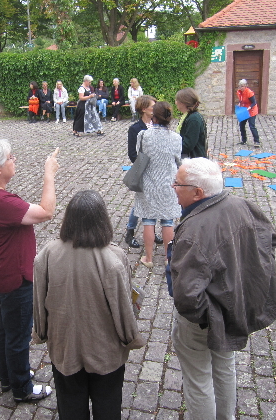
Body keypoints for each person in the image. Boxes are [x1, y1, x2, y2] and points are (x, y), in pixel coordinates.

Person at [170, 157, 276, 420]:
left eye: (177, 184)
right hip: (232, 310)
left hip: (204, 320)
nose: (173, 187)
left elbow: (187, 298)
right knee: (224, 366)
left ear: (198, 193)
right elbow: (271, 240)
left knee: (199, 378)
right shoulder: (244, 205)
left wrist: (208, 315)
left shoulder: (193, 231)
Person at [33, 190, 145, 419]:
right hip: (106, 352)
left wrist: (42, 333)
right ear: (103, 220)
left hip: (64, 348)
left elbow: (38, 300)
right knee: (108, 406)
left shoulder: (47, 254)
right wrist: (130, 338)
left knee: (70, 406)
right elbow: (124, 309)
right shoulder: (113, 258)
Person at [0, 139, 59, 403]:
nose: (14, 160)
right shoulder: (0, 202)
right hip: (13, 278)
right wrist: (48, 174)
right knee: (17, 334)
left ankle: (8, 376)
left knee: (2, 327)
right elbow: (46, 212)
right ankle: (22, 388)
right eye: (10, 157)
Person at [134, 101, 181, 268]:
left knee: (148, 220)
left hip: (148, 181)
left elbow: (140, 155)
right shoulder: (176, 138)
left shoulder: (143, 135)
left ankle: (148, 257)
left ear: (154, 116)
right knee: (168, 221)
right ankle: (168, 258)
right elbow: (178, 160)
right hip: (168, 182)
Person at [125, 95, 163, 249]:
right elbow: (132, 154)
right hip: (144, 170)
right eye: (152, 106)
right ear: (143, 109)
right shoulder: (135, 129)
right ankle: (130, 231)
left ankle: (151, 232)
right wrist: (146, 165)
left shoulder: (158, 126)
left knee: (153, 201)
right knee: (141, 202)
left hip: (158, 171)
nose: (154, 109)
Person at [174, 88, 208, 158]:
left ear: (183, 103)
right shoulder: (187, 116)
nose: (175, 102)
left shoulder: (194, 119)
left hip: (194, 160)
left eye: (177, 100)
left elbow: (188, 145)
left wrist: (171, 148)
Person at [237, 79, 260, 147]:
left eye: (243, 86)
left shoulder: (249, 92)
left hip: (251, 110)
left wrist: (249, 108)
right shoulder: (239, 92)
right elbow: (241, 100)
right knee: (241, 125)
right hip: (244, 110)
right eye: (240, 86)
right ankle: (244, 140)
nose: (241, 87)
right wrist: (239, 104)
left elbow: (254, 102)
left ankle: (257, 141)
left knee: (251, 126)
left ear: (246, 86)